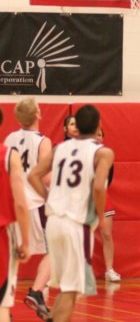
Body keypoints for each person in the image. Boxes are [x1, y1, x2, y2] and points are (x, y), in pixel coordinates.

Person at [28, 104, 114, 322]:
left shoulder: (59, 149)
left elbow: (33, 176)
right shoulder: (103, 152)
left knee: (67, 288)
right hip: (76, 224)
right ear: (99, 125)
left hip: (54, 222)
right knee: (72, 289)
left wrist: (49, 197)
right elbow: (99, 187)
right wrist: (101, 217)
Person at [3, 98, 52, 320]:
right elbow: (45, 177)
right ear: (37, 115)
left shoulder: (9, 139)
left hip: (11, 204)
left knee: (10, 257)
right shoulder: (43, 141)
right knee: (57, 249)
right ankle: (37, 291)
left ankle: (5, 308)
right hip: (34, 203)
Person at [0, 107, 31, 322]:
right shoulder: (9, 155)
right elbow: (20, 203)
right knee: (2, 305)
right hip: (2, 235)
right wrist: (26, 242)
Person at [96, 127, 121, 282]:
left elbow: (109, 179)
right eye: (95, 134)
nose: (97, 137)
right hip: (84, 198)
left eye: (100, 135)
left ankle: (109, 269)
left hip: (103, 196)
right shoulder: (82, 154)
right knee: (80, 236)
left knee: (106, 234)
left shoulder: (106, 156)